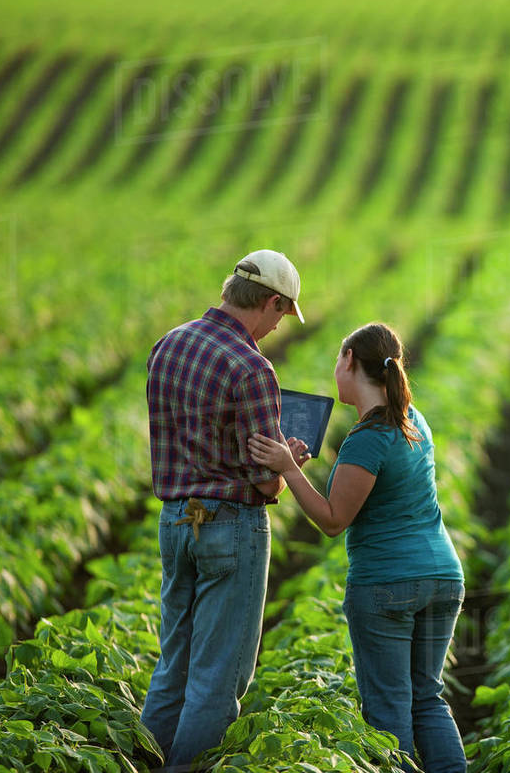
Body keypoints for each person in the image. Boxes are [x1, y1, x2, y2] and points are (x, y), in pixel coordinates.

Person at [247, 322, 466, 773]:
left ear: (349, 361)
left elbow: (332, 520)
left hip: (388, 584)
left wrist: (289, 469)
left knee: (388, 710)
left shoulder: (367, 439)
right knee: (427, 698)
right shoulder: (413, 421)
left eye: (337, 358)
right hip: (444, 576)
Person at [141, 249, 311, 770]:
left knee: (175, 664)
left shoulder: (168, 345)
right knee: (219, 678)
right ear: (273, 301)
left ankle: (143, 762)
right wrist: (289, 463)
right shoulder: (252, 368)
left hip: (175, 520)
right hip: (230, 528)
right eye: (283, 314)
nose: (281, 326)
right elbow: (265, 483)